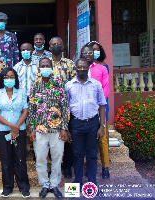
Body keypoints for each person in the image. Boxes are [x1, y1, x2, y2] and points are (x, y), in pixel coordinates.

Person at [28, 58, 69, 199]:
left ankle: (54, 184)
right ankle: (44, 184)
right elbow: (32, 109)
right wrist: (32, 129)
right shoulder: (35, 85)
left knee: (57, 158)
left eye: (47, 66)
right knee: (40, 158)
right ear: (39, 69)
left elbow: (64, 106)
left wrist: (64, 128)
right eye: (42, 66)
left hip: (57, 129)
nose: (45, 68)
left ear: (52, 67)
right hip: (39, 129)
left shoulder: (59, 83)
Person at [65, 58, 106, 186]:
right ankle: (77, 182)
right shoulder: (69, 85)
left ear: (88, 68)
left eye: (84, 67)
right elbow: (65, 108)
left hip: (92, 123)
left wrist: (102, 126)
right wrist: (67, 128)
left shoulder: (96, 84)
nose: (82, 69)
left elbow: (102, 106)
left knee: (92, 155)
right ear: (75, 69)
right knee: (77, 155)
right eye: (79, 67)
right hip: (76, 124)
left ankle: (92, 183)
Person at [0, 68, 30, 198]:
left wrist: (17, 126)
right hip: (2, 131)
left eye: (12, 76)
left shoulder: (21, 92)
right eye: (6, 77)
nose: (9, 79)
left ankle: (24, 187)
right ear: (2, 79)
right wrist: (11, 126)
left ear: (16, 78)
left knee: (20, 159)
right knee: (6, 160)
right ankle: (7, 187)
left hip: (20, 129)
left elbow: (25, 111)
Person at [81, 43, 110, 179]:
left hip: (99, 107)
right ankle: (88, 166)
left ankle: (105, 167)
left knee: (102, 137)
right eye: (86, 52)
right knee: (86, 138)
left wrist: (98, 102)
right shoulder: (79, 68)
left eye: (91, 52)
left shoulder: (101, 68)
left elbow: (106, 88)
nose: (88, 55)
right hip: (83, 109)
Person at [48, 37, 76, 179]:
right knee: (52, 137)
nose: (56, 46)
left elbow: (76, 85)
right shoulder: (45, 64)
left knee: (68, 137)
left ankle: (67, 166)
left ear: (63, 48)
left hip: (66, 106)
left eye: (59, 44)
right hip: (50, 108)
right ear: (49, 47)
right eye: (54, 44)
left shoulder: (70, 64)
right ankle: (53, 166)